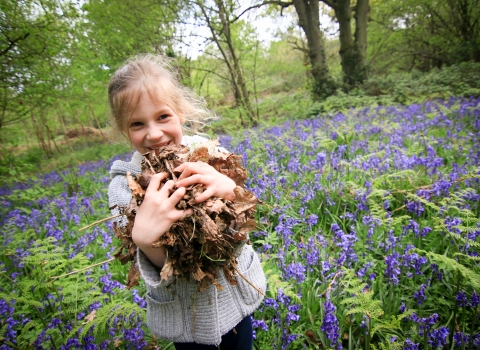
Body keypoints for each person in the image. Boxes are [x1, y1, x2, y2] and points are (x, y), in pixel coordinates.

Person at [107, 54, 266, 349]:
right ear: (123, 128)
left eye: (163, 116)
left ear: (180, 112)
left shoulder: (209, 156)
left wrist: (231, 192)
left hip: (235, 297)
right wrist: (145, 241)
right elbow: (168, 269)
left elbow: (241, 229)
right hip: (184, 315)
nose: (154, 134)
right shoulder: (123, 188)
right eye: (138, 123)